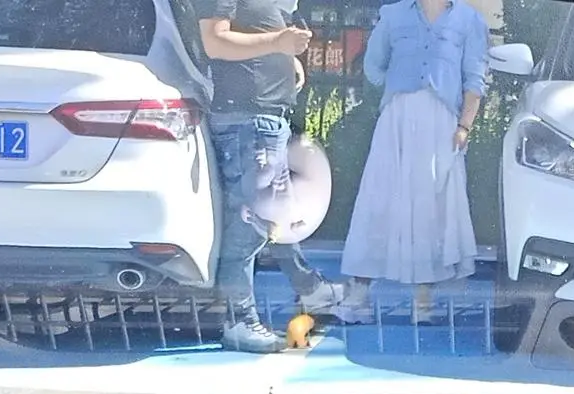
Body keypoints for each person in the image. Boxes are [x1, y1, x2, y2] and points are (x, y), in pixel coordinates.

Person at [201, 0, 347, 353]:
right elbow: (215, 41)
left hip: (261, 118)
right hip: (248, 119)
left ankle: (307, 288)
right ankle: (240, 320)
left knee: (269, 215)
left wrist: (284, 54)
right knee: (249, 225)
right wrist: (278, 43)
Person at [336, 0, 488, 325]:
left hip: (442, 125)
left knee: (430, 205)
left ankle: (423, 304)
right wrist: (398, 91)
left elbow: (475, 79)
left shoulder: (469, 20)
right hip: (396, 121)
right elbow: (373, 66)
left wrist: (464, 126)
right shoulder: (392, 15)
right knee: (378, 199)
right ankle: (358, 298)